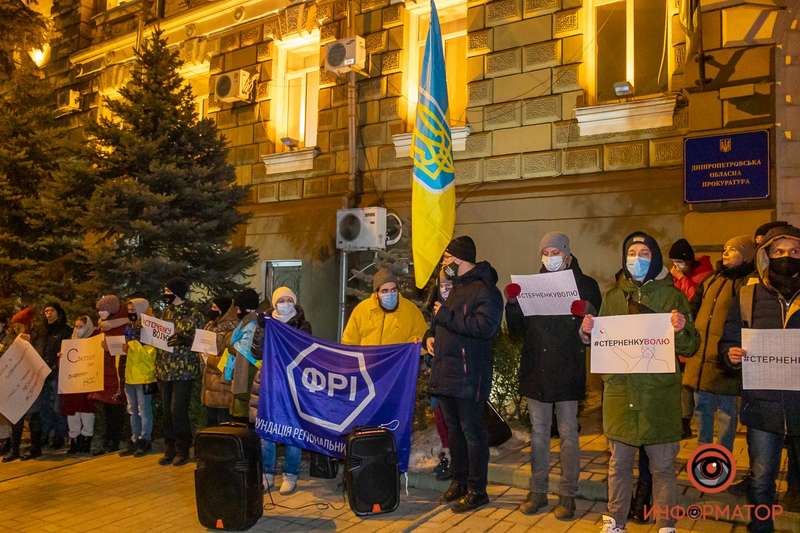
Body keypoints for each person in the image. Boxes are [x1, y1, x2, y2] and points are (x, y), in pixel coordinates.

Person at [580, 231, 699, 533]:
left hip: (657, 396)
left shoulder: (672, 297)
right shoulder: (613, 297)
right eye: (631, 253)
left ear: (655, 258)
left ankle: (666, 525)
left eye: (643, 253)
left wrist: (682, 328)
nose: (636, 259)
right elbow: (601, 342)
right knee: (617, 465)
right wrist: (588, 331)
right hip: (621, 394)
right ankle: (615, 522)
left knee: (662, 467)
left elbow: (689, 346)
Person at [506, 232, 601, 520]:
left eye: (555, 251)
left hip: (567, 369)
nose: (550, 256)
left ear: (567, 254)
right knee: (538, 435)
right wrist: (512, 304)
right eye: (545, 252)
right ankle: (537, 492)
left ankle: (568, 495)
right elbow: (517, 332)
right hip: (537, 370)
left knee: (569, 435)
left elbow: (596, 324)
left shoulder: (585, 284)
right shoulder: (531, 286)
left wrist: (586, 313)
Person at [720, 224, 800, 532]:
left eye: (794, 251)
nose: (786, 257)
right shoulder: (748, 295)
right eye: (778, 252)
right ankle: (761, 527)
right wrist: (731, 355)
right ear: (766, 256)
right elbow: (728, 340)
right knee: (762, 477)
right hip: (762, 407)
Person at [428, 236, 503, 513]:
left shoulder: (486, 291)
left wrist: (446, 317)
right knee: (454, 431)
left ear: (459, 260)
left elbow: (485, 327)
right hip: (447, 373)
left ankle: (477, 489)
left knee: (473, 433)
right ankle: (459, 481)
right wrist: (429, 338)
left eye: (447, 258)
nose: (445, 264)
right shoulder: (452, 289)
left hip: (470, 375)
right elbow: (439, 323)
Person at [683, 236, 755, 452]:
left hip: (726, 363)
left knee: (726, 414)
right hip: (701, 361)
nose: (725, 253)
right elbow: (692, 311)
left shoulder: (748, 284)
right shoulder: (710, 280)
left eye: (732, 250)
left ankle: (722, 458)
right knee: (702, 410)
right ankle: (703, 457)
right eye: (725, 249)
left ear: (747, 255)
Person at [249, 287, 311, 495]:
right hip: (269, 382)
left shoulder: (302, 324)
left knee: (292, 429)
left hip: (293, 383)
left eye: (289, 300)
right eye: (281, 300)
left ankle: (290, 474)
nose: (285, 303)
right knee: (267, 430)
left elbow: (305, 351)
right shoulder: (266, 324)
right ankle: (267, 473)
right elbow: (256, 351)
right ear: (274, 304)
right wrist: (262, 329)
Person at [156, 278, 204, 466]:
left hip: (184, 369)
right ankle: (170, 447)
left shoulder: (194, 313)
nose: (165, 293)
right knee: (166, 411)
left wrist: (186, 339)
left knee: (178, 410)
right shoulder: (165, 312)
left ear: (176, 292)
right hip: (164, 368)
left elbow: (202, 340)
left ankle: (183, 448)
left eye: (168, 290)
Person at [668, 238, 712, 440]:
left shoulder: (703, 276)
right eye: (673, 262)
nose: (676, 266)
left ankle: (687, 421)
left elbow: (693, 301)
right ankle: (680, 420)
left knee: (689, 384)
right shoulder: (675, 277)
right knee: (680, 384)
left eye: (680, 261)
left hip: (694, 336)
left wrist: (681, 279)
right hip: (675, 336)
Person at [342, 268, 428, 346]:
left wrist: (416, 343)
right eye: (384, 291)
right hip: (368, 363)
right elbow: (349, 342)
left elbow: (424, 341)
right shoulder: (362, 310)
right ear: (377, 293)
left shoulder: (410, 310)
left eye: (393, 290)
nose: (390, 294)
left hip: (398, 363)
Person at [424, 269, 454, 481]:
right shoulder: (435, 307)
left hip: (455, 373)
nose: (445, 289)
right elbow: (432, 330)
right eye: (442, 285)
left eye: (449, 285)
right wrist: (429, 338)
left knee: (452, 417)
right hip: (438, 369)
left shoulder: (460, 305)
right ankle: (447, 452)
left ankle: (456, 458)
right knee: (438, 412)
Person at [89, 295, 128, 455]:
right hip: (103, 372)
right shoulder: (101, 327)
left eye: (103, 310)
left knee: (115, 409)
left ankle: (114, 439)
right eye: (99, 310)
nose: (100, 314)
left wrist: (110, 346)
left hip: (116, 372)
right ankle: (107, 439)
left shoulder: (123, 324)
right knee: (105, 409)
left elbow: (126, 346)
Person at [120, 298, 157, 457]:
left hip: (144, 376)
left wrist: (132, 345)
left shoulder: (150, 328)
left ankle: (145, 439)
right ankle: (134, 439)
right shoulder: (130, 327)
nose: (130, 312)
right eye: (128, 310)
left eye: (133, 309)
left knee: (144, 410)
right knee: (132, 410)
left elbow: (150, 353)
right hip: (130, 376)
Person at [2, 307, 39, 462]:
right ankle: (14, 449)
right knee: (15, 417)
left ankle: (35, 448)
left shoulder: (35, 336)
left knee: (32, 416)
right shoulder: (9, 338)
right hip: (14, 382)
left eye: (19, 324)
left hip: (30, 381)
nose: (16, 327)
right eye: (14, 325)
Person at [34, 303, 72, 450]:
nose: (48, 313)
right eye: (46, 311)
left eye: (51, 310)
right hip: (42, 373)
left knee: (57, 406)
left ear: (58, 312)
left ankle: (59, 435)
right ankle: (45, 434)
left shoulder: (65, 330)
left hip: (58, 372)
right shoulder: (41, 331)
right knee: (43, 406)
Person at [62, 316, 97, 455]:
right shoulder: (70, 343)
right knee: (73, 412)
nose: (78, 330)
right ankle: (74, 438)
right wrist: (62, 357)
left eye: (81, 326)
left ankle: (86, 437)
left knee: (86, 411)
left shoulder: (93, 342)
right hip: (73, 384)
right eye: (76, 326)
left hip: (87, 383)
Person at [200, 296, 237, 426]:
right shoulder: (210, 325)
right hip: (210, 383)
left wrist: (208, 359)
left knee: (223, 423)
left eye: (215, 308)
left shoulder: (231, 329)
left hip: (222, 385)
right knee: (211, 422)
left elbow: (228, 359)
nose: (212, 310)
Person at [226, 288, 261, 422]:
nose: (236, 311)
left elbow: (243, 350)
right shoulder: (247, 322)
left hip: (247, 371)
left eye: (238, 307)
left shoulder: (251, 324)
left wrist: (231, 347)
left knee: (243, 415)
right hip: (244, 370)